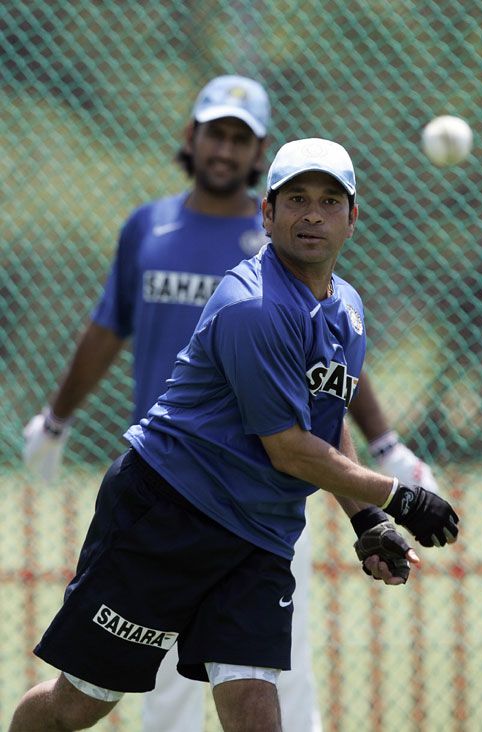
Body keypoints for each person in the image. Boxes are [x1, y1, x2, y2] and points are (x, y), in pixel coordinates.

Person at [22, 77, 439, 732]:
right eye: (295, 199)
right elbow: (290, 447)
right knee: (80, 704)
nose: (311, 214)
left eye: (330, 201)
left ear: (352, 219)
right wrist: (399, 496)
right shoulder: (254, 303)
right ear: (266, 214)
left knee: (254, 703)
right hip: (169, 510)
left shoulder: (347, 309)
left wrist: (366, 521)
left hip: (259, 529)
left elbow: (325, 422)